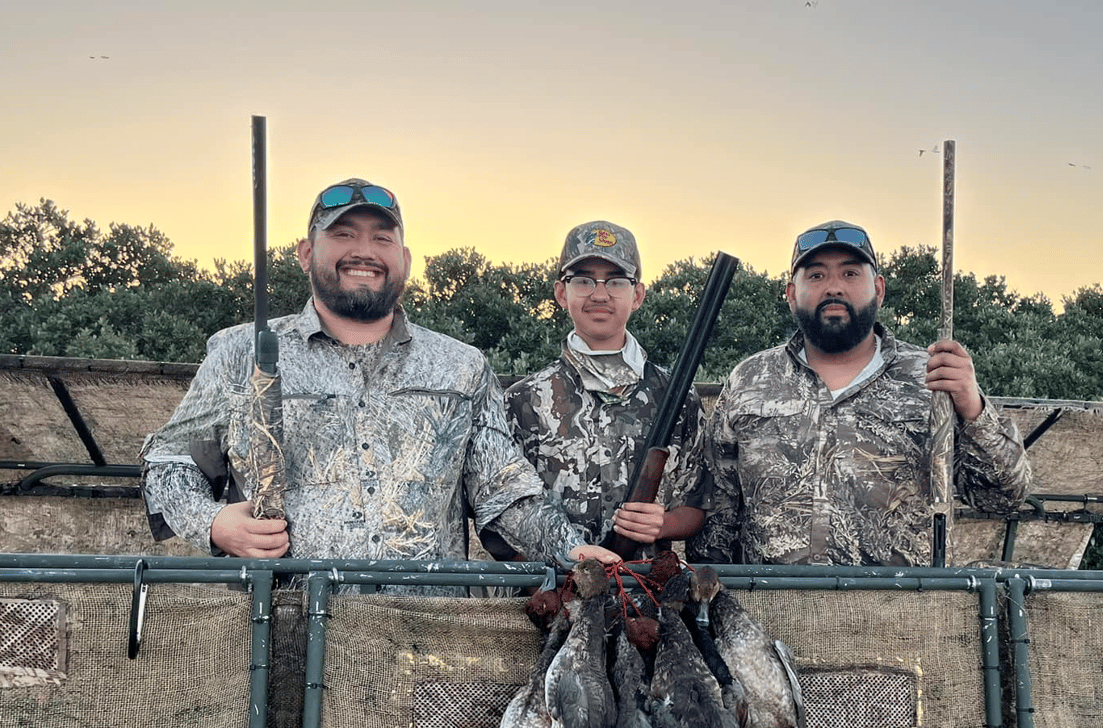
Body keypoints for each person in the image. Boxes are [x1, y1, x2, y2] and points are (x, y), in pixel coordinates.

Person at [141, 178, 617, 571]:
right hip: (280, 633)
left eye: (381, 238)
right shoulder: (239, 354)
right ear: (307, 253)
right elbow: (168, 463)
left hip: (425, 639)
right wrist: (213, 522)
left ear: (404, 260)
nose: (363, 251)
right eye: (343, 235)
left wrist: (569, 547)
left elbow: (505, 493)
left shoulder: (462, 367)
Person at [691, 220, 1030, 566]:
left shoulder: (933, 377)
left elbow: (1003, 498)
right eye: (817, 275)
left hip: (903, 613)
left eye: (851, 274)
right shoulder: (749, 380)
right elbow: (718, 512)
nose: (834, 287)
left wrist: (972, 407)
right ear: (792, 294)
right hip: (773, 611)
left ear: (879, 289)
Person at [489, 220, 706, 557]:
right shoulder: (522, 400)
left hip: (647, 596)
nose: (600, 294)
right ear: (562, 293)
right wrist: (550, 585)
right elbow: (497, 516)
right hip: (551, 594)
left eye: (617, 281)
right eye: (584, 280)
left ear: (638, 295)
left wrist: (662, 524)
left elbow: (699, 505)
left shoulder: (678, 397)